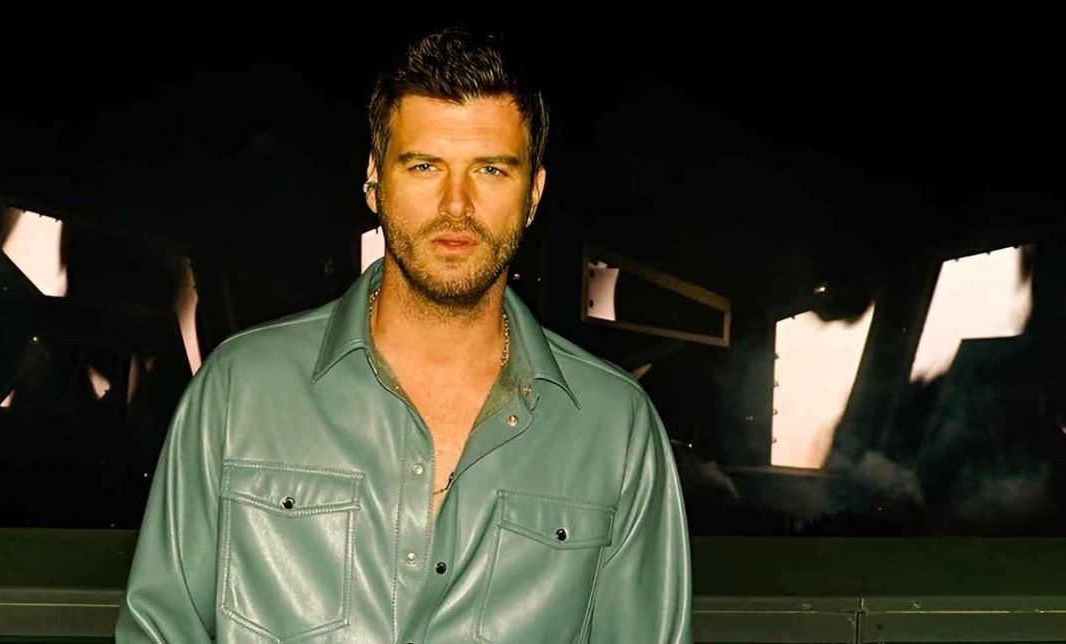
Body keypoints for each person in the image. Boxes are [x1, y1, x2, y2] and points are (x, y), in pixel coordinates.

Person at [116, 26, 691, 643]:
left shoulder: (614, 427)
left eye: (490, 169)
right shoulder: (240, 391)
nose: (456, 205)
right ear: (374, 180)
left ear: (533, 193)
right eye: (424, 166)